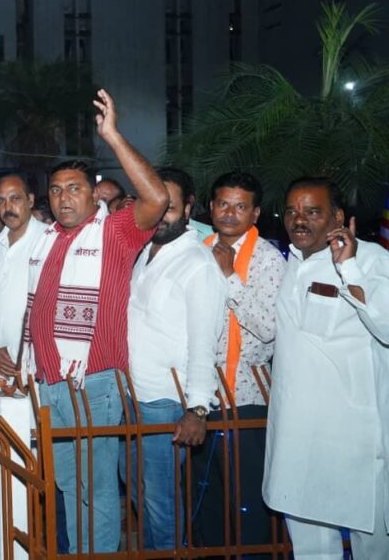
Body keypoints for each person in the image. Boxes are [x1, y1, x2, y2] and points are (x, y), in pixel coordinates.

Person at [26, 89, 168, 553]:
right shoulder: (47, 238)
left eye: (74, 189)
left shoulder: (115, 230)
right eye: (56, 190)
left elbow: (157, 197)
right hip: (50, 382)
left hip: (95, 382)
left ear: (93, 193)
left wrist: (112, 136)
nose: (64, 198)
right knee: (69, 482)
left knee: (98, 485)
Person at [263, 177, 389, 559]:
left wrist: (349, 270)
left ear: (337, 217)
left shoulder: (371, 259)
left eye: (312, 211)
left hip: (355, 440)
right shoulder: (289, 261)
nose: (298, 220)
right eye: (291, 211)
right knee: (311, 549)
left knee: (373, 547)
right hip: (297, 437)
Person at [125, 168, 227, 550]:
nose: (160, 213)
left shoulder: (198, 264)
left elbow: (204, 343)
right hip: (133, 396)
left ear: (188, 208)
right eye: (154, 203)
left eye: (169, 205)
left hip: (166, 401)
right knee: (136, 486)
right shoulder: (146, 252)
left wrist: (198, 409)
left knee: (161, 500)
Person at [194, 171, 285, 548]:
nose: (230, 213)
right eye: (223, 204)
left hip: (247, 397)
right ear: (211, 207)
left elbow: (268, 328)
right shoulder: (197, 250)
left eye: (240, 206)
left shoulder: (268, 259)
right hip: (200, 397)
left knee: (246, 504)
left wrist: (230, 275)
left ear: (255, 213)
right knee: (207, 502)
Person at [0, 174, 48, 378]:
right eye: (1, 200)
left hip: (35, 363)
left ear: (30, 200)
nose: (8, 207)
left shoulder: (48, 240)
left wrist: (25, 354)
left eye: (15, 198)